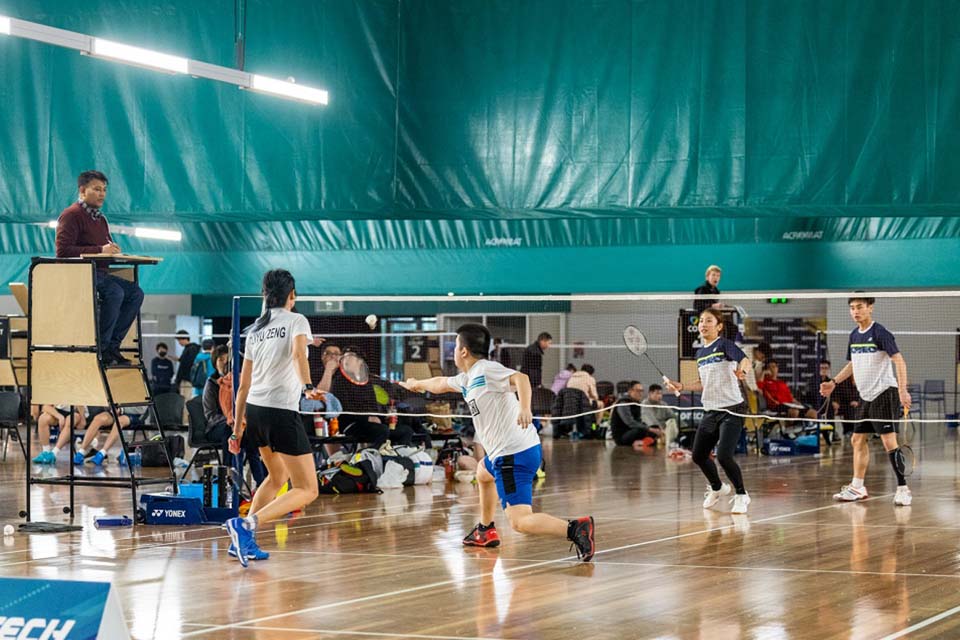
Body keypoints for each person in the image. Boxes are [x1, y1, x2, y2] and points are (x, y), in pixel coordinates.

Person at [400, 323, 595, 561]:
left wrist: (524, 408)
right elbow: (441, 383)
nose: (453, 351)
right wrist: (417, 384)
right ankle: (485, 529)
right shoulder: (468, 378)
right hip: (510, 450)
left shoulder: (486, 370)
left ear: (464, 351)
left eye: (456, 346)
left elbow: (521, 379)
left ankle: (575, 529)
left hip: (513, 455)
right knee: (483, 472)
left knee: (519, 521)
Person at [226, 269, 324, 567]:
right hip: (281, 411)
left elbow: (243, 385)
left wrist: (236, 427)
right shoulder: (297, 321)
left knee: (277, 476)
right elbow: (298, 356)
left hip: (255, 411)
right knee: (307, 489)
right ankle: (246, 525)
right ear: (291, 296)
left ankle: (243, 543)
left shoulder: (256, 328)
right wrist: (307, 387)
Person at [820, 296, 912, 506]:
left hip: (884, 393)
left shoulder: (880, 332)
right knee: (857, 440)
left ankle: (903, 488)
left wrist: (902, 390)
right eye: (852, 308)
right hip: (865, 395)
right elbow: (853, 364)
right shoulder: (854, 335)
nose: (855, 311)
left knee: (889, 442)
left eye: (860, 307)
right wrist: (833, 382)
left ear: (870, 308)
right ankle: (857, 486)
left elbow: (899, 361)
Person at [666, 308, 752, 514]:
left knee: (723, 456)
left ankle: (742, 495)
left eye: (709, 321)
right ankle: (718, 488)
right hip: (711, 410)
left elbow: (744, 360)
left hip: (732, 409)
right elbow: (703, 383)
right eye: (701, 321)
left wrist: (744, 371)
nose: (703, 324)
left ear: (719, 326)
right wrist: (682, 386)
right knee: (698, 455)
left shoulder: (725, 345)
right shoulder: (700, 353)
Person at [55, 170, 144, 365]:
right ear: (82, 190)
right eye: (96, 189)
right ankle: (101, 349)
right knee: (115, 293)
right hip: (81, 274)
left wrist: (113, 250)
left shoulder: (100, 219)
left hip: (100, 273)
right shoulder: (71, 215)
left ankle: (113, 346)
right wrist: (100, 250)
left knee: (135, 293)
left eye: (104, 190)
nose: (102, 194)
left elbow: (104, 247)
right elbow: (62, 252)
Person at [203, 345, 265, 485]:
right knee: (230, 433)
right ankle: (228, 477)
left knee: (249, 436)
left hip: (238, 424)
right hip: (216, 426)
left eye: (228, 360)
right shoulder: (211, 384)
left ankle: (260, 483)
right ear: (215, 362)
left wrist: (239, 423)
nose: (225, 363)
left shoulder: (240, 383)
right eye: (221, 360)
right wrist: (231, 421)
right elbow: (210, 415)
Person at [74, 406, 147, 466]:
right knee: (98, 418)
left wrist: (122, 410)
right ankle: (81, 452)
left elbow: (142, 409)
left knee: (119, 421)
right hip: (114, 412)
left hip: (135, 414)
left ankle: (102, 454)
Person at [610, 382, 662, 450]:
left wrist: (653, 429)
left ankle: (640, 442)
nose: (640, 393)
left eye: (642, 391)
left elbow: (639, 421)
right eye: (638, 391)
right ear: (630, 391)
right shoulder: (623, 403)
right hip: (622, 436)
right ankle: (640, 442)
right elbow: (630, 422)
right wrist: (648, 429)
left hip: (633, 431)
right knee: (643, 429)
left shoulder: (637, 404)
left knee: (654, 428)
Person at [174, 330, 200, 401]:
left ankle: (186, 412)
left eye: (179, 340)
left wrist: (181, 360)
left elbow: (188, 363)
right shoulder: (189, 348)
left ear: (184, 339)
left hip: (187, 379)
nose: (179, 342)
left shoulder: (191, 349)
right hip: (186, 378)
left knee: (185, 399)